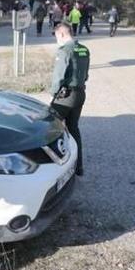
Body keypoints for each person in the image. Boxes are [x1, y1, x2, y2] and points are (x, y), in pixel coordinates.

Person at [50, 23, 90, 176]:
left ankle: (56, 169)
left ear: (61, 34)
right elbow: (85, 75)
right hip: (80, 94)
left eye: (56, 37)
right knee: (74, 129)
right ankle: (79, 167)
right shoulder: (84, 49)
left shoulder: (65, 51)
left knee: (50, 128)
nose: (56, 41)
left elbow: (58, 76)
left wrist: (53, 93)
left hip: (65, 96)